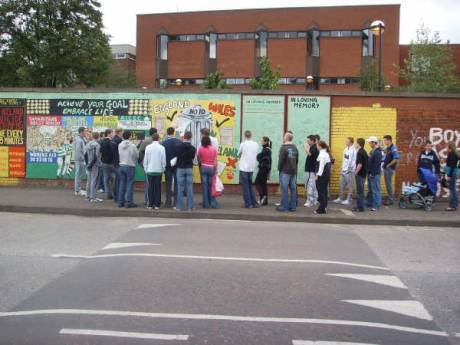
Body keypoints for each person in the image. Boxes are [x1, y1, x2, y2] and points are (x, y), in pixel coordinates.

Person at [277, 132, 299, 212]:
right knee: (293, 189)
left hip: (285, 171)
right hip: (293, 171)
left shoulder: (283, 147)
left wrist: (279, 168)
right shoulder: (295, 147)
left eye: (284, 136)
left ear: (286, 138)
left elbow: (281, 160)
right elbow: (297, 160)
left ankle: (284, 206)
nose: (283, 137)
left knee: (284, 189)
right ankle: (293, 206)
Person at [143, 133, 166, 210]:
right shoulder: (162, 148)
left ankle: (150, 204)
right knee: (158, 188)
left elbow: (145, 159)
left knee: (150, 187)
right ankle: (157, 204)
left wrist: (145, 169)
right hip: (158, 170)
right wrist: (163, 169)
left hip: (149, 170)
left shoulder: (148, 147)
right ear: (158, 139)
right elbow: (163, 160)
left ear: (152, 139)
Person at [238, 130, 260, 208]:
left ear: (245, 136)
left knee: (245, 186)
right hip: (251, 167)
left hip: (243, 167)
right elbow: (257, 154)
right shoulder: (256, 144)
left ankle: (248, 204)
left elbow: (238, 154)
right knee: (250, 185)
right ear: (251, 135)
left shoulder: (243, 144)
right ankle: (254, 203)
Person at [176, 131, 196, 211]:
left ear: (184, 137)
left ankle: (179, 206)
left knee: (180, 188)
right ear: (190, 137)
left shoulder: (178, 147)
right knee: (190, 188)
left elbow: (177, 156)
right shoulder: (193, 148)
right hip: (189, 168)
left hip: (180, 168)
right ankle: (190, 206)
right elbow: (192, 158)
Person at [118, 131, 139, 208]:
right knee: (129, 184)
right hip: (130, 166)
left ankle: (120, 202)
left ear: (123, 136)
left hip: (121, 165)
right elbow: (137, 155)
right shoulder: (133, 146)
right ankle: (129, 202)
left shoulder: (120, 145)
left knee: (122, 184)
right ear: (130, 137)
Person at [162, 127, 182, 208]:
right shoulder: (179, 142)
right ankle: (176, 202)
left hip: (167, 166)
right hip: (177, 166)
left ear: (167, 132)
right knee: (177, 184)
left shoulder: (164, 143)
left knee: (168, 184)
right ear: (174, 132)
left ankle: (168, 201)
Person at [333, 137, 356, 205]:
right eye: (346, 141)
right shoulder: (345, 149)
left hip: (349, 171)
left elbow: (352, 161)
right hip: (343, 170)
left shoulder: (353, 151)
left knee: (350, 186)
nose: (346, 142)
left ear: (351, 142)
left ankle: (349, 199)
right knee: (341, 185)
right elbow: (344, 160)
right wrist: (342, 168)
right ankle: (340, 198)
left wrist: (349, 169)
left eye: (347, 141)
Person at [197, 135, 218, 208]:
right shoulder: (213, 149)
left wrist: (201, 162)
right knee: (211, 186)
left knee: (204, 186)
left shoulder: (201, 149)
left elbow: (198, 158)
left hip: (203, 167)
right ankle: (213, 203)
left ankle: (205, 204)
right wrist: (215, 169)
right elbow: (215, 160)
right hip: (211, 168)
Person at [138, 128, 157, 206]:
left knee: (148, 183)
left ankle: (147, 200)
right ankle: (154, 200)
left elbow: (140, 152)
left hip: (147, 164)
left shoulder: (145, 141)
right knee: (155, 184)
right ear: (155, 133)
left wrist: (140, 162)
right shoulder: (158, 142)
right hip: (156, 165)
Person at [315, 140, 332, 214]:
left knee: (321, 192)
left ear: (320, 146)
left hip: (322, 176)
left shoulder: (322, 155)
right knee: (324, 192)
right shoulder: (326, 153)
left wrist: (317, 175)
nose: (316, 146)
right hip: (326, 176)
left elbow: (321, 166)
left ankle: (320, 209)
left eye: (317, 145)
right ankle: (324, 208)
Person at [382, 135, 400, 206]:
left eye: (385, 140)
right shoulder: (389, 148)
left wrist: (388, 165)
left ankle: (390, 199)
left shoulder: (393, 147)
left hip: (389, 169)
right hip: (387, 168)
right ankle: (390, 198)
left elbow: (396, 158)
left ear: (389, 140)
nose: (384, 142)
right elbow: (387, 153)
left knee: (388, 184)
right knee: (387, 184)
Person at [85, 132, 102, 203]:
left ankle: (88, 196)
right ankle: (93, 197)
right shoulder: (97, 145)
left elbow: (85, 155)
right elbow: (96, 156)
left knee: (89, 181)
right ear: (98, 137)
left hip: (89, 164)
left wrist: (88, 164)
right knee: (94, 181)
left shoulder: (88, 144)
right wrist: (91, 165)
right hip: (94, 165)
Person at [366, 136, 383, 211]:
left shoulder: (378, 152)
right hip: (371, 173)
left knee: (376, 190)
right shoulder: (372, 151)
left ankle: (376, 205)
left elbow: (376, 164)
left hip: (374, 174)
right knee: (371, 189)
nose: (369, 143)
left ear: (373, 142)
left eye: (370, 142)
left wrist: (372, 173)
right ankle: (370, 203)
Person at [352, 138, 368, 212]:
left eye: (356, 143)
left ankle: (360, 208)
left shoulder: (360, 152)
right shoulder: (363, 151)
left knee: (360, 192)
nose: (355, 144)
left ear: (358, 144)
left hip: (360, 174)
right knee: (360, 191)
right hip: (363, 174)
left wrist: (355, 173)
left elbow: (360, 164)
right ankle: (359, 206)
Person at [255, 136, 272, 206]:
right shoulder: (266, 149)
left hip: (263, 169)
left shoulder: (266, 150)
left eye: (262, 141)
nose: (261, 142)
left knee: (258, 182)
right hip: (265, 169)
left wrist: (259, 156)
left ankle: (263, 197)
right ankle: (264, 200)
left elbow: (259, 157)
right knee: (263, 184)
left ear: (265, 141)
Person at [100, 129, 116, 200]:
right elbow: (113, 153)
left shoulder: (102, 142)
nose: (113, 134)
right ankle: (114, 193)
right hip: (111, 163)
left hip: (103, 162)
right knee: (114, 178)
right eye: (112, 133)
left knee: (106, 178)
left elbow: (100, 152)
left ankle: (108, 194)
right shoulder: (111, 142)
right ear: (109, 134)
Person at [303, 134, 319, 207]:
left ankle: (310, 201)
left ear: (312, 141)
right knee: (313, 185)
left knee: (310, 185)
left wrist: (306, 148)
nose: (307, 142)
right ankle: (315, 200)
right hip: (312, 170)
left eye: (308, 140)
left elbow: (310, 154)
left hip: (310, 170)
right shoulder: (314, 147)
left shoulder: (314, 147)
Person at [444, 141, 459, 211]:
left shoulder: (452, 154)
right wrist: (458, 168)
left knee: (452, 190)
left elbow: (452, 166)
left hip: (452, 173)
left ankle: (452, 206)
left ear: (449, 146)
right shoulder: (454, 153)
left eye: (446, 146)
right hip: (453, 173)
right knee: (453, 189)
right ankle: (455, 205)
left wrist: (449, 175)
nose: (446, 147)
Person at [73, 126, 87, 196]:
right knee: (78, 174)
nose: (86, 132)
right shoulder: (79, 140)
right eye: (85, 131)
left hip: (79, 159)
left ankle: (78, 189)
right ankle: (77, 190)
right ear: (81, 132)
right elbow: (78, 151)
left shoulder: (80, 139)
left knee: (79, 174)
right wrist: (82, 159)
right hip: (79, 159)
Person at [111, 128, 123, 203]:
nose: (123, 133)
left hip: (114, 162)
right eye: (122, 132)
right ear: (119, 132)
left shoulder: (113, 140)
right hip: (118, 162)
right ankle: (118, 197)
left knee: (116, 180)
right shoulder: (119, 141)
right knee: (119, 181)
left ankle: (115, 196)